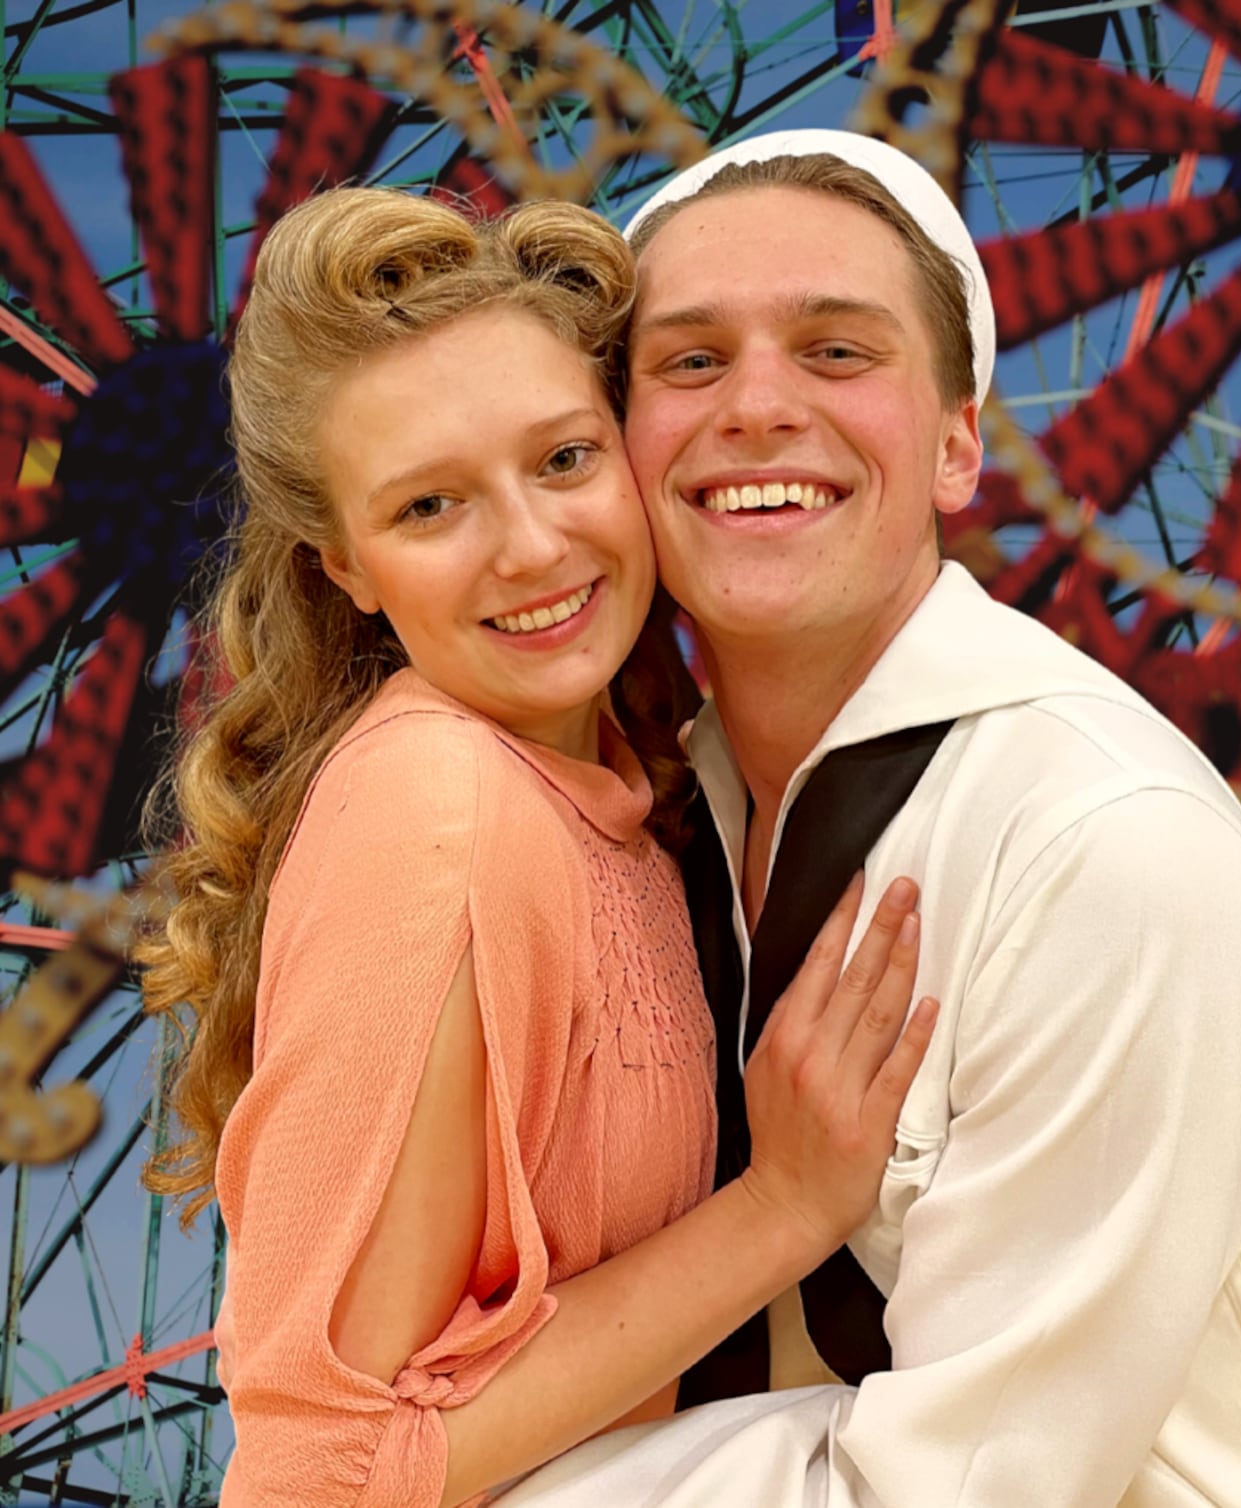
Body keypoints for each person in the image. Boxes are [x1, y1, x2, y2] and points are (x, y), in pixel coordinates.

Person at [497, 130, 1241, 1506]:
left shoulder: (1104, 849)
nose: (754, 408)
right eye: (688, 363)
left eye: (837, 352)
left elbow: (972, 1491)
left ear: (960, 442)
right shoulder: (641, 825)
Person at [136, 186, 940, 1508]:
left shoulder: (616, 785)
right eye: (431, 508)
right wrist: (784, 1210)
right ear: (345, 567)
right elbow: (326, 1472)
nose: (529, 547)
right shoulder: (440, 817)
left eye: (565, 460)